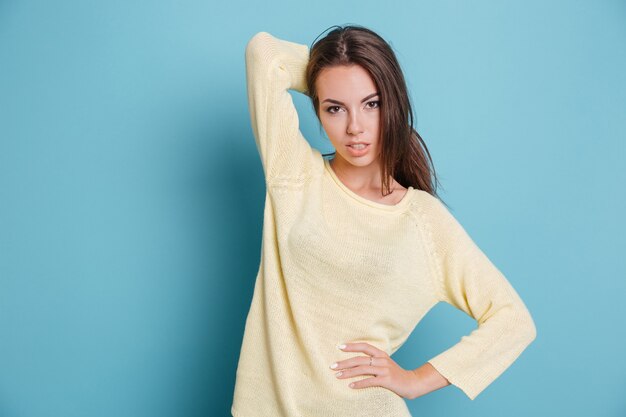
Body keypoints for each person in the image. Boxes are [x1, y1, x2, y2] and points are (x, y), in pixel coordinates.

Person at [231, 25, 537, 417]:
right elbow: (263, 54)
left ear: (392, 103)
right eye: (334, 108)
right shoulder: (293, 175)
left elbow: (513, 321)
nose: (355, 127)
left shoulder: (422, 220)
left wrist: (414, 380)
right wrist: (329, 70)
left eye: (371, 104)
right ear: (319, 110)